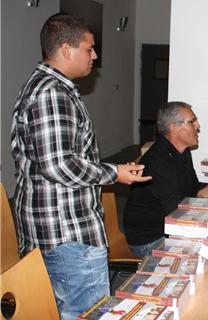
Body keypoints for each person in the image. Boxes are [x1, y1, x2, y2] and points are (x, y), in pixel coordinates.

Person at [10, 14, 151, 320]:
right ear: (65, 50)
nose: (95, 55)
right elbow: (60, 166)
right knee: (89, 314)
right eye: (89, 48)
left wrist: (111, 169)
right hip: (67, 236)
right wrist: (114, 173)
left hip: (57, 231)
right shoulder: (51, 93)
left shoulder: (48, 88)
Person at [123, 101, 208, 258]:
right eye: (192, 122)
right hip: (150, 240)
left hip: (170, 228)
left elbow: (195, 188)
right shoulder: (158, 162)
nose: (198, 126)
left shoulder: (182, 151)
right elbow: (178, 214)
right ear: (173, 127)